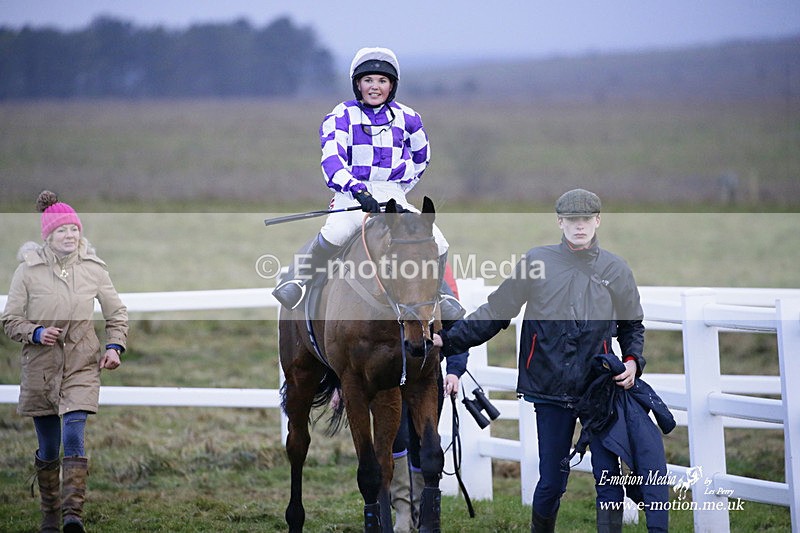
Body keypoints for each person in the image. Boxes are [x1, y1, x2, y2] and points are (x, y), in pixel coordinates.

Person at [433, 189, 669, 533]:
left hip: (600, 391)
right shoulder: (536, 262)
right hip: (549, 389)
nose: (579, 226)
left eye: (586, 220)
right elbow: (497, 311)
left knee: (609, 479)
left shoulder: (616, 269)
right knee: (552, 481)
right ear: (560, 222)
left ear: (597, 221)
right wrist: (447, 340)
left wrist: (633, 361)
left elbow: (632, 325)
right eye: (572, 220)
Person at [272, 46, 462, 322]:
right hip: (351, 194)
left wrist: (399, 189)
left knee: (439, 242)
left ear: (392, 86)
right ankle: (297, 280)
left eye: (382, 81)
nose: (375, 87)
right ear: (357, 84)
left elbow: (422, 157)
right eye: (368, 80)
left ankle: (443, 295)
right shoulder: (341, 115)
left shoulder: (409, 118)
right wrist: (356, 189)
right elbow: (332, 160)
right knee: (337, 231)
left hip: (392, 194)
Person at [2, 191, 128, 533]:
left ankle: (73, 517)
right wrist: (37, 332)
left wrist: (114, 346)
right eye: (62, 231)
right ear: (49, 236)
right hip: (40, 369)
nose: (70, 236)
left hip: (81, 364)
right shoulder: (27, 273)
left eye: (74, 229)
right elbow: (10, 319)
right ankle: (50, 516)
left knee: (74, 432)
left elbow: (116, 312)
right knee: (47, 446)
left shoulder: (94, 270)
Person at [390, 263, 467, 532]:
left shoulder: (434, 264)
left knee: (425, 443)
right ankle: (402, 512)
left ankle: (422, 513)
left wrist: (455, 370)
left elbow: (456, 328)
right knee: (397, 439)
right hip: (388, 378)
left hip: (427, 374)